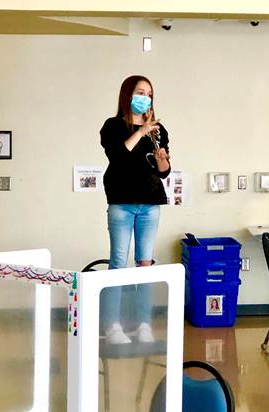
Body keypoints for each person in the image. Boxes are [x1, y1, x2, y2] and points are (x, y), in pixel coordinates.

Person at [100, 75, 171, 344]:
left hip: (150, 202)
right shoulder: (113, 126)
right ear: (128, 94)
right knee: (118, 263)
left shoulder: (159, 129)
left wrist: (163, 161)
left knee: (145, 264)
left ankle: (143, 324)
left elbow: (163, 172)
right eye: (141, 92)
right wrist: (140, 131)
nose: (146, 98)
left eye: (150, 94)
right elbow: (118, 155)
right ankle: (113, 326)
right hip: (121, 202)